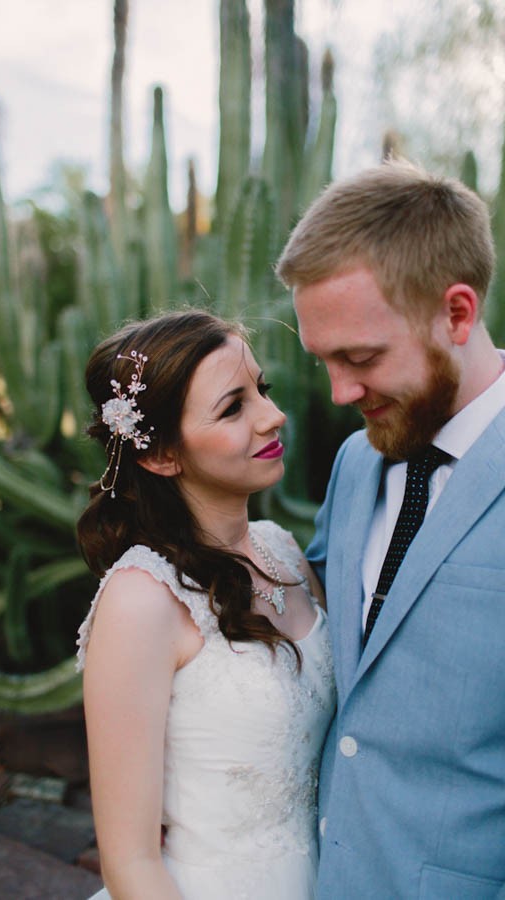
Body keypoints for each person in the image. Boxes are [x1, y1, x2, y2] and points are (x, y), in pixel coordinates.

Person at [276, 160, 505, 898]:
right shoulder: (357, 461)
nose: (340, 392)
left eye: (360, 358)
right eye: (324, 360)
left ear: (456, 313)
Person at [75, 309, 335, 900]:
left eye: (261, 390)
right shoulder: (142, 601)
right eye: (233, 406)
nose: (274, 416)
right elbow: (131, 863)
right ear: (161, 455)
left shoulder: (287, 554)